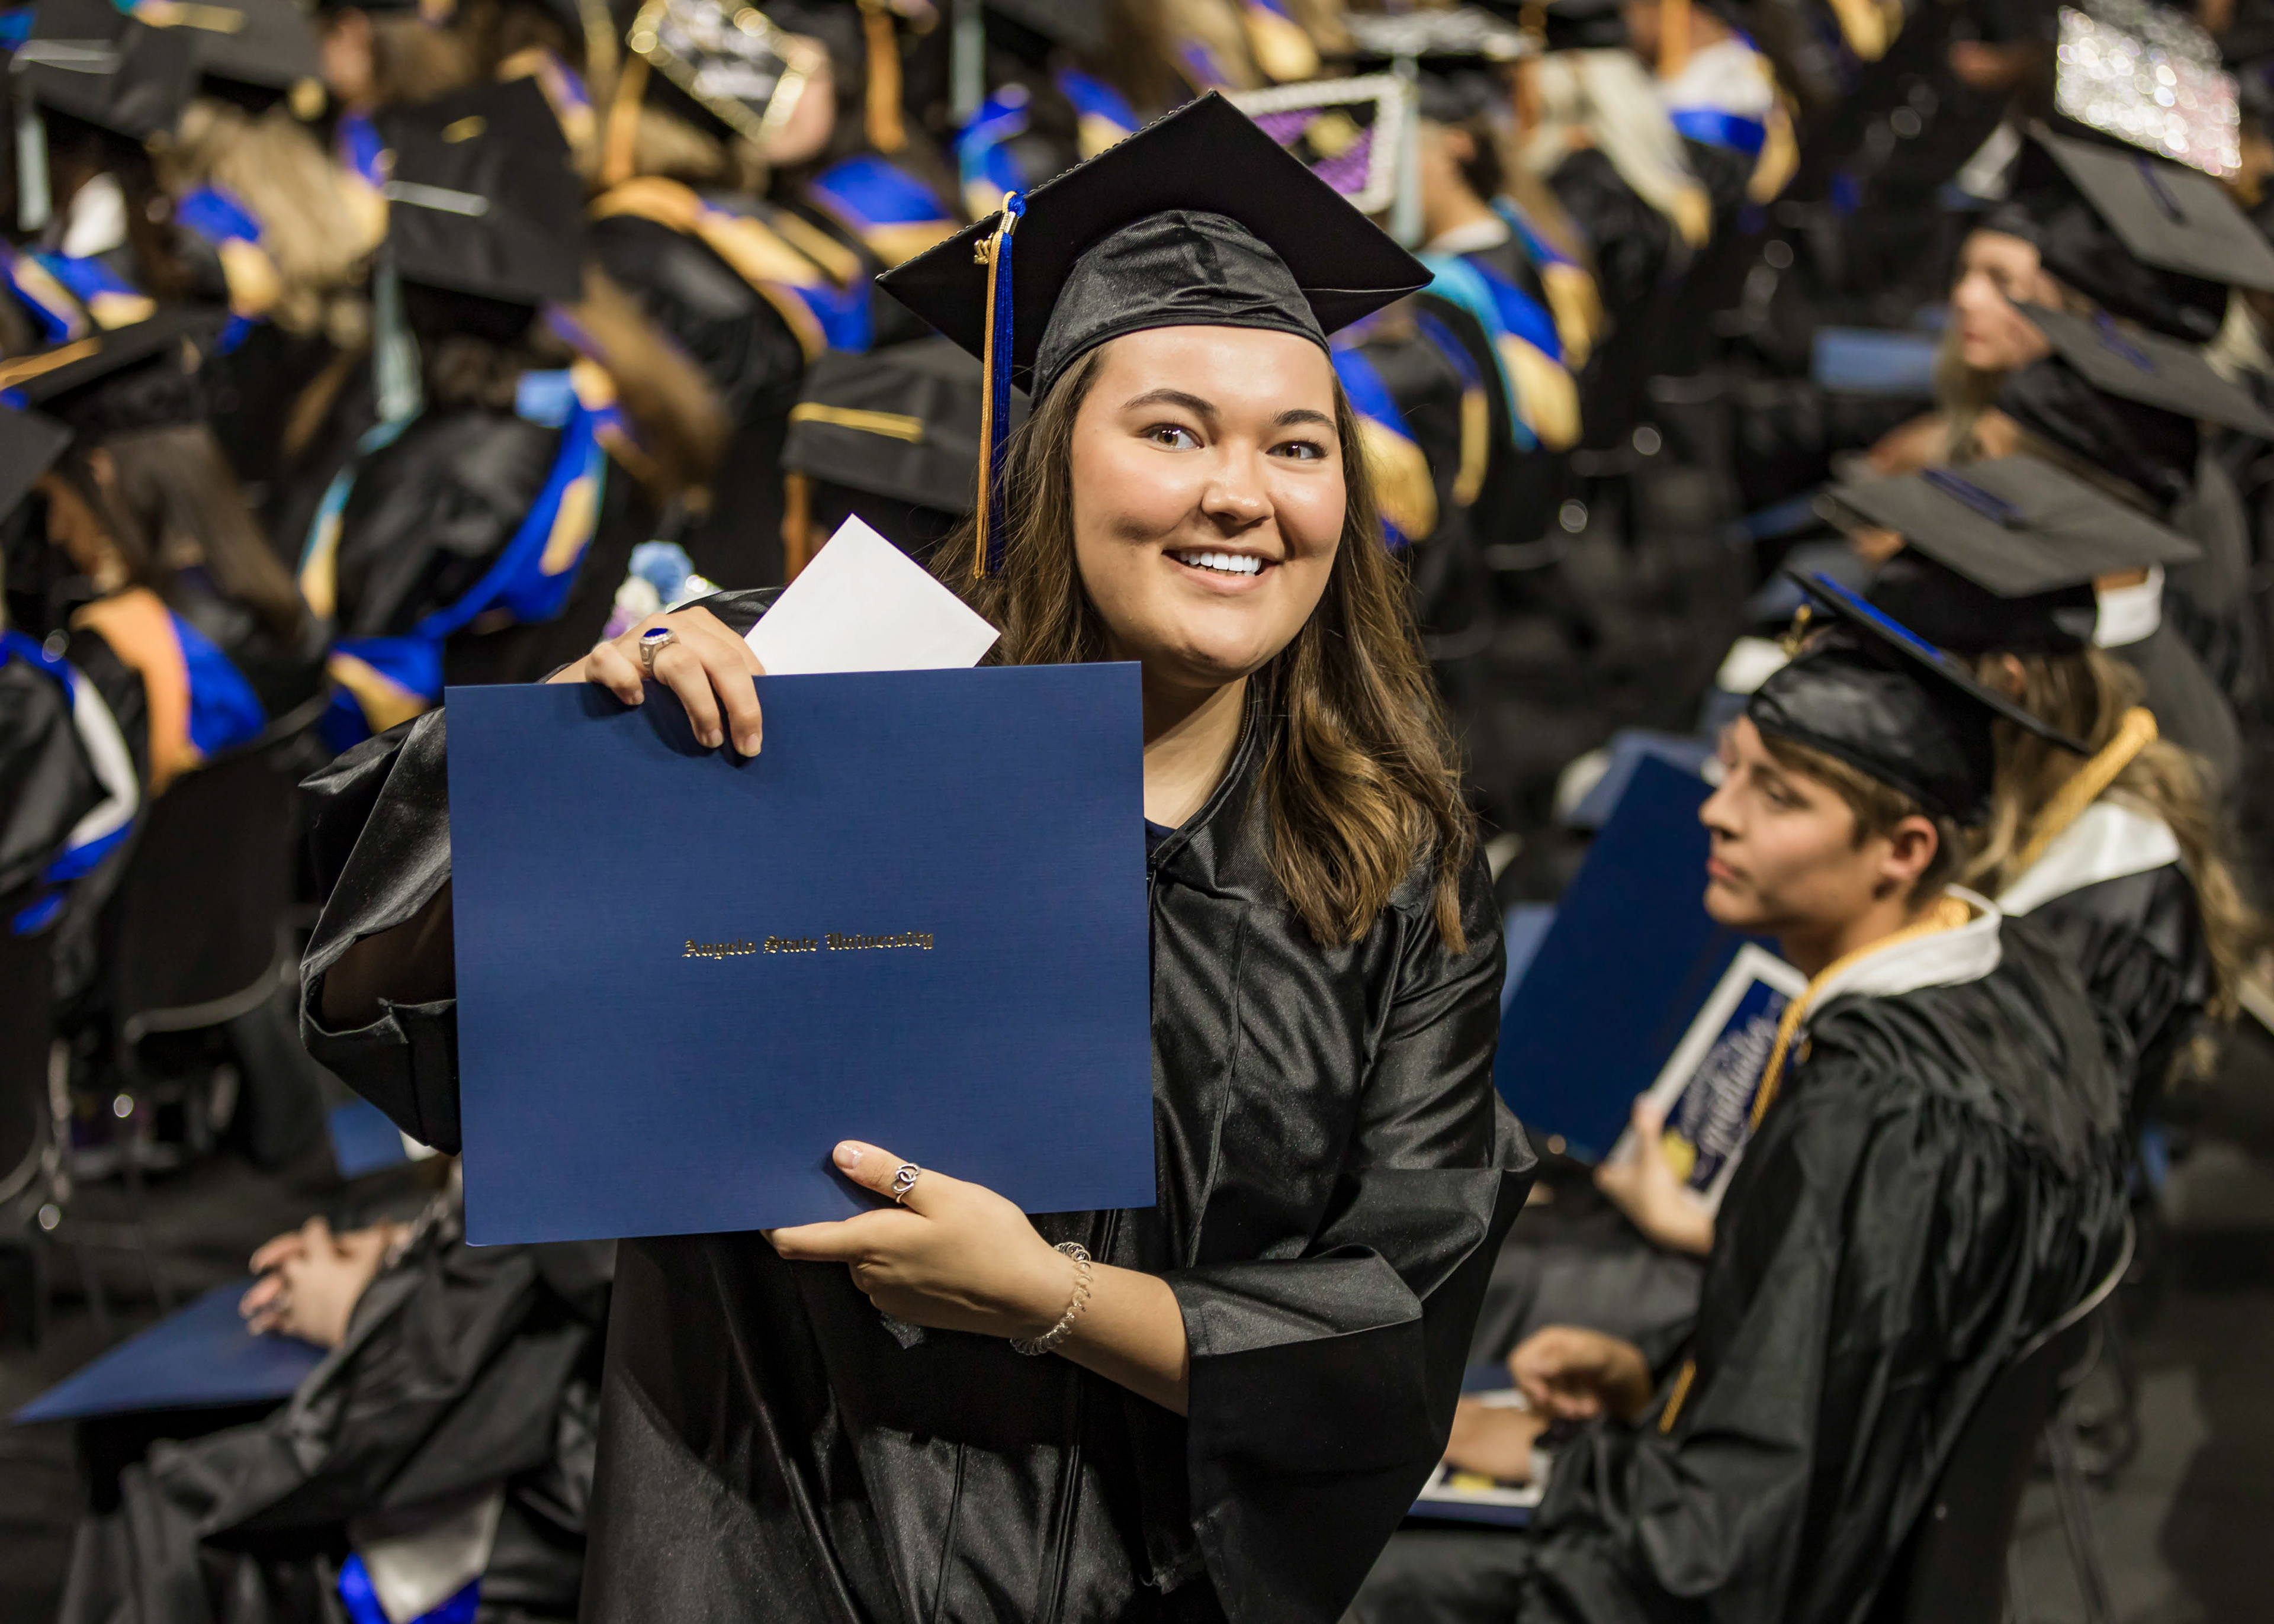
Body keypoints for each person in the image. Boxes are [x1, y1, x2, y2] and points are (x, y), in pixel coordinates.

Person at [298, 93, 1533, 1622]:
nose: (1244, 491)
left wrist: (1047, 1299)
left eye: (1299, 444)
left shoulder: (1388, 865)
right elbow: (397, 1025)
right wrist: (578, 762)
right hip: (768, 1558)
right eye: (1171, 430)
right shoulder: (801, 705)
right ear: (1045, 459)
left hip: (1153, 1589)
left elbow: (1396, 1325)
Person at [1353, 573, 2129, 1623]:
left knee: (1344, 1562)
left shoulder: (1878, 1113)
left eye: (1779, 796)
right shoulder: (2017, 981)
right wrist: (1660, 1376)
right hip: (1868, 1548)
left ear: (1903, 849)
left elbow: (1721, 1543)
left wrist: (1563, 1461)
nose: (1716, 811)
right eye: (1734, 771)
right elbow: (1845, 1364)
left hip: (1784, 1584)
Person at [56, 1161, 615, 1624]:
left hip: (532, 1502)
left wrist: (357, 1309)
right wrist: (402, 1247)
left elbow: (477, 1362)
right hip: (484, 1368)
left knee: (161, 1490)